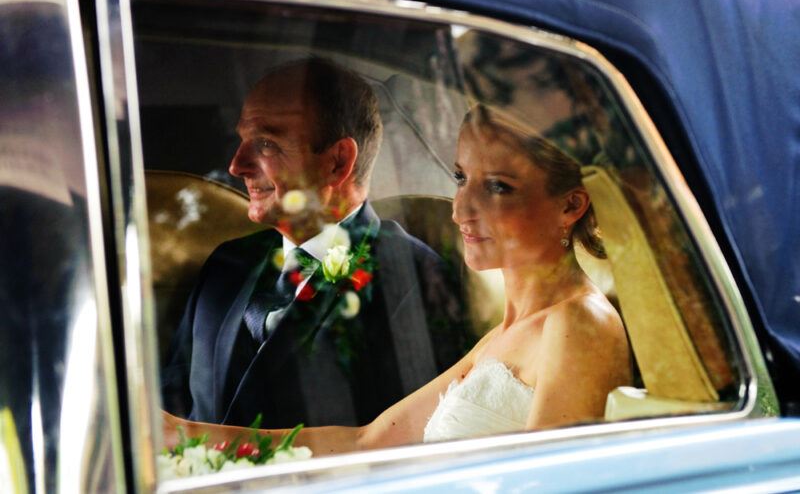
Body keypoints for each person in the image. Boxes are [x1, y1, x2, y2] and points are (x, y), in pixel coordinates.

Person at [163, 104, 632, 452]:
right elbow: (367, 442)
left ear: (570, 205)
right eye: (461, 178)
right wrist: (182, 435)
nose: (461, 209)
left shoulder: (579, 325)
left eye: (498, 188)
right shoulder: (500, 338)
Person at [160, 58, 473, 429]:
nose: (236, 165)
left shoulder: (413, 280)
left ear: (337, 163)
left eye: (265, 144)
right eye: (243, 140)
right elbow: (173, 399)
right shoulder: (227, 263)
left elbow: (411, 440)